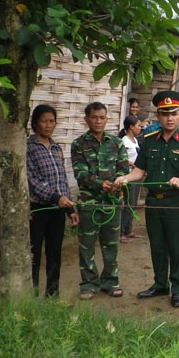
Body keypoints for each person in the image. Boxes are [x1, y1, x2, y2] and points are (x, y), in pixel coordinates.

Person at [114, 91, 179, 308]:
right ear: (158, 116)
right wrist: (124, 178)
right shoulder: (149, 141)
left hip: (175, 202)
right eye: (165, 113)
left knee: (177, 246)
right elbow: (139, 171)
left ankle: (178, 288)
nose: (169, 118)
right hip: (153, 202)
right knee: (157, 245)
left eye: (174, 113)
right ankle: (160, 284)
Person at [71, 102, 129, 300]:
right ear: (87, 119)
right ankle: (88, 283)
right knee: (87, 245)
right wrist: (99, 184)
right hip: (89, 203)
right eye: (94, 117)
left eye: (102, 117)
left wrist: (117, 183)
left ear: (106, 119)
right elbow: (80, 173)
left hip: (112, 203)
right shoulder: (78, 144)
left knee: (111, 244)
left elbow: (123, 169)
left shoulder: (116, 142)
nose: (98, 121)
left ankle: (110, 282)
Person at [27, 104, 79, 298]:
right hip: (37, 209)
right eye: (43, 121)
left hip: (57, 210)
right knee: (34, 254)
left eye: (51, 121)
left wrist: (70, 209)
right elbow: (30, 180)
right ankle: (30, 296)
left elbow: (62, 180)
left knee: (54, 252)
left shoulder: (56, 147)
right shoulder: (29, 148)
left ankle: (52, 295)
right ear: (35, 123)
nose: (48, 125)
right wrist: (56, 198)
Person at [119, 115, 142, 243]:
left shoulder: (135, 140)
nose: (140, 128)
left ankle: (128, 230)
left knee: (132, 204)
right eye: (138, 125)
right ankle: (121, 233)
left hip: (136, 176)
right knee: (127, 204)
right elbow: (121, 157)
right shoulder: (124, 141)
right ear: (131, 127)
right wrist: (132, 164)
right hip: (128, 176)